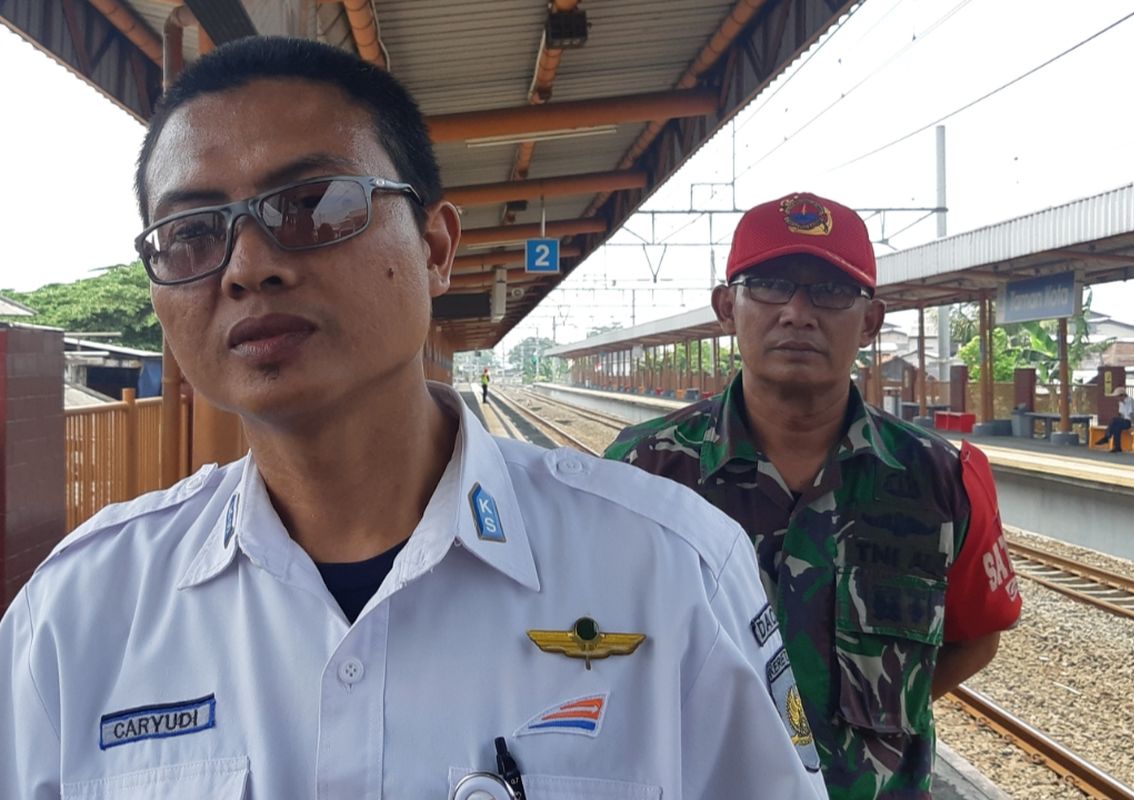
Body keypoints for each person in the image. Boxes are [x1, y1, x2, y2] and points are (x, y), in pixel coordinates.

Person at [0, 39, 828, 800]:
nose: (250, 267)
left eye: (314, 204)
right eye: (190, 234)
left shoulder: (672, 571)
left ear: (436, 249)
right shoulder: (77, 617)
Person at [606, 193, 1023, 800]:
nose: (798, 313)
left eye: (830, 292)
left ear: (872, 321)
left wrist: (869, 716)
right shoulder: (641, 472)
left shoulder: (943, 479)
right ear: (727, 307)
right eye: (771, 285)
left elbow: (977, 634)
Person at [1095, 386, 1134, 452]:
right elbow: (1121, 415)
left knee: (1114, 420)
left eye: (1117, 396)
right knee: (1116, 427)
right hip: (1127, 421)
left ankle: (1107, 437)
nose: (1116, 398)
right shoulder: (1120, 403)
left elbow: (1131, 414)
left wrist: (1133, 426)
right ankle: (1117, 447)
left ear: (1122, 395)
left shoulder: (1129, 401)